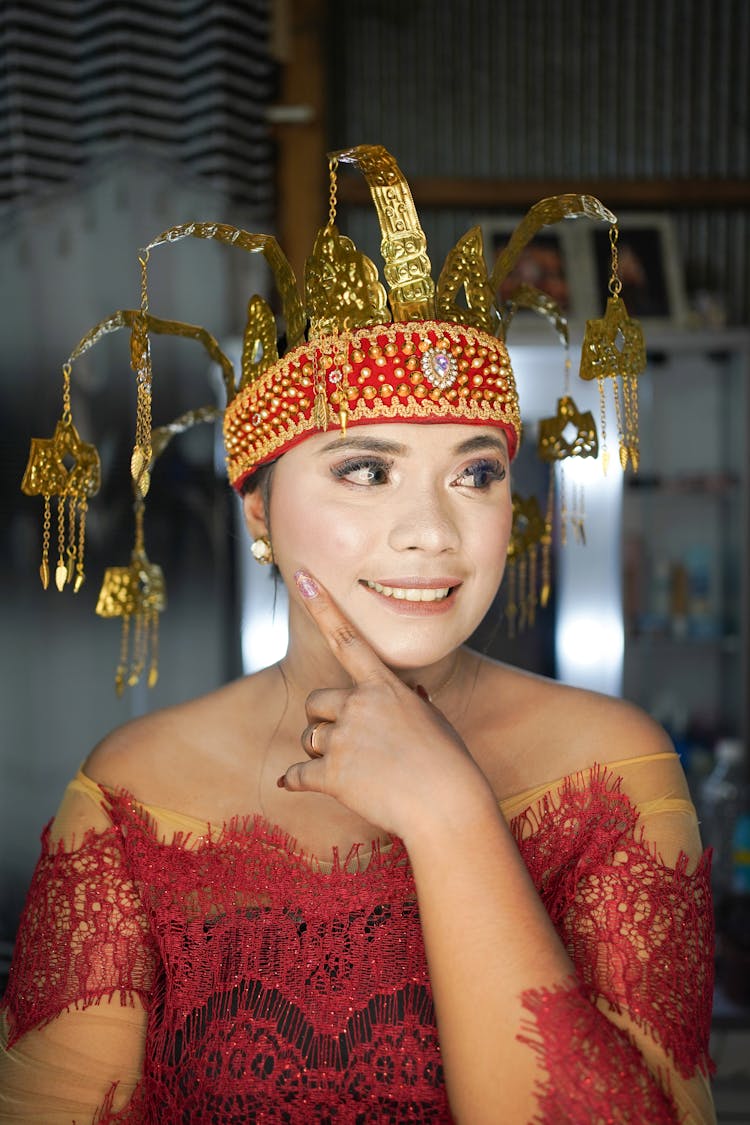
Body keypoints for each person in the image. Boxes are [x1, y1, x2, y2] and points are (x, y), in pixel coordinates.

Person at [1, 145, 715, 1124]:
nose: (434, 529)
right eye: (366, 472)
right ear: (257, 509)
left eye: (476, 474)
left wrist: (451, 815)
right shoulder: (134, 793)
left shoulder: (612, 767)